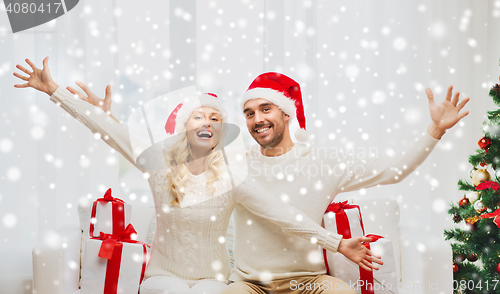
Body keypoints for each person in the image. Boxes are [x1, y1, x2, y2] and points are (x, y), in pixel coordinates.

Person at [14, 58, 382, 294]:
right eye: (198, 116)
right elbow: (111, 132)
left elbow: (279, 213)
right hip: (164, 276)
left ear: (221, 133)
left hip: (213, 279)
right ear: (183, 126)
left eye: (215, 118)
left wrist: (335, 243)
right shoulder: (157, 163)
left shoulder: (233, 176)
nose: (207, 122)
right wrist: (55, 91)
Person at [221, 72, 470, 294]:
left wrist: (436, 130)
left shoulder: (322, 163)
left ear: (287, 113)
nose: (257, 119)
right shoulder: (237, 164)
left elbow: (393, 171)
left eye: (266, 109)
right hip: (250, 284)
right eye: (249, 113)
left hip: (308, 282)